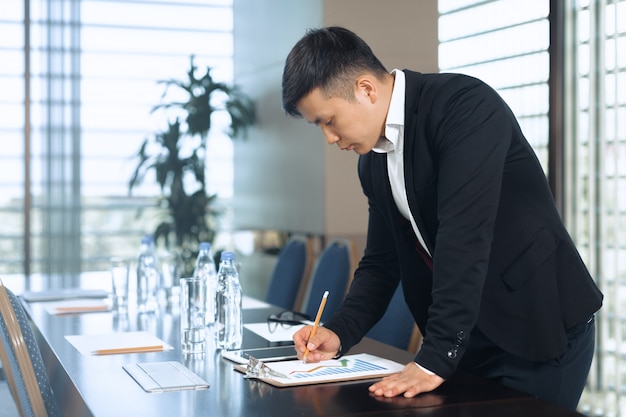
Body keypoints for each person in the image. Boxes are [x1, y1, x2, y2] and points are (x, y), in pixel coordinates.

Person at [281, 26, 603, 410]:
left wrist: (436, 355)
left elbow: (463, 236)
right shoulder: (373, 163)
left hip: (538, 326)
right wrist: (338, 330)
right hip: (470, 336)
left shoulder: (464, 107)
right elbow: (382, 264)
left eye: (328, 120)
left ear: (365, 89)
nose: (329, 138)